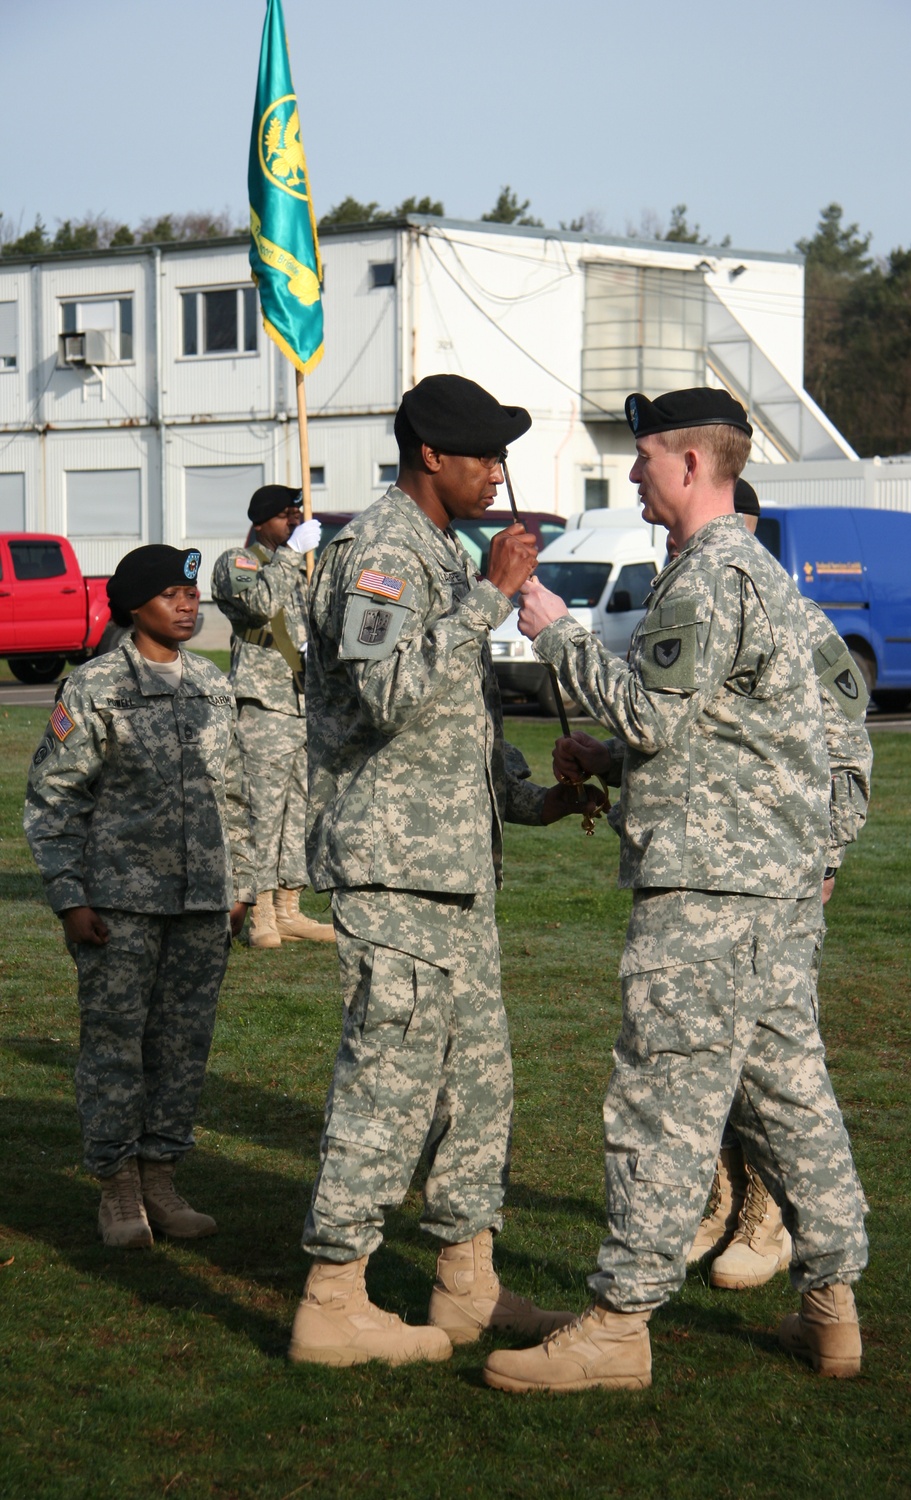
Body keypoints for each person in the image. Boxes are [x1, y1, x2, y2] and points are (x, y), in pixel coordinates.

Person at [484, 388, 869, 1393]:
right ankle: (832, 1310)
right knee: (791, 1102)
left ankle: (619, 1324)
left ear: (692, 464)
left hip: (706, 896)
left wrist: (557, 632)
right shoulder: (764, 576)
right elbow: (743, 729)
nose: (636, 477)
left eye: (646, 458)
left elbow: (658, 717)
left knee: (662, 1099)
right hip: (772, 892)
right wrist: (607, 758)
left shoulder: (706, 578)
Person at [289, 373, 600, 1368]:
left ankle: (467, 1286)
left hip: (452, 871)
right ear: (430, 453)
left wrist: (531, 796)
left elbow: (454, 724)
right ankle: (331, 1297)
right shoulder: (380, 553)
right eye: (484, 457)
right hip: (394, 872)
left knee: (477, 1087)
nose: (497, 477)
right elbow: (384, 697)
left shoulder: (434, 551)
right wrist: (488, 598)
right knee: (388, 1084)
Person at [24, 545, 255, 1248]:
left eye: (191, 595)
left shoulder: (212, 687)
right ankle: (118, 1190)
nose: (187, 605)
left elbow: (237, 797)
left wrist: (239, 886)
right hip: (118, 906)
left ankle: (162, 1179)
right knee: (115, 1048)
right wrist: (70, 897)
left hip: (201, 906)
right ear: (132, 607)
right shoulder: (96, 688)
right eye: (169, 595)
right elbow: (53, 800)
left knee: (182, 1047)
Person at [690, 479, 873, 1290]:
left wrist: (826, 857)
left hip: (780, 878)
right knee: (702, 1050)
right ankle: (720, 1195)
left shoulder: (797, 620)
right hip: (708, 876)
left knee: (775, 1056)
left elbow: (848, 749)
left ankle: (770, 1212)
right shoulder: (693, 606)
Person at [212, 484, 333, 948]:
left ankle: (289, 906)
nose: (295, 523)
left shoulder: (297, 569)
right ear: (261, 521)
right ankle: (258, 907)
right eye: (286, 516)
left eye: (298, 514)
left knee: (299, 809)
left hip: (303, 702)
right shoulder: (239, 563)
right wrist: (289, 556)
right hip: (263, 704)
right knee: (261, 809)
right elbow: (259, 606)